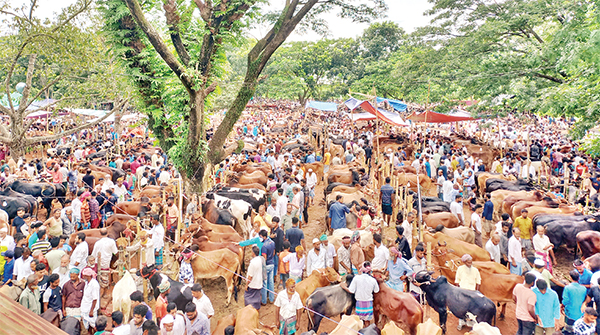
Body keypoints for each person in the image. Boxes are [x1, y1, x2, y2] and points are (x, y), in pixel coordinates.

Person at [348, 261, 379, 326]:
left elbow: (351, 290)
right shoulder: (373, 280)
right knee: (367, 322)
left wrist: (343, 286)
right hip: (368, 303)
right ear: (370, 271)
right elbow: (376, 290)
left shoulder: (356, 278)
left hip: (359, 303)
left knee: (359, 322)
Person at [455, 254, 481, 330]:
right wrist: (458, 291)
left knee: (472, 310)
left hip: (472, 293)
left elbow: (478, 281)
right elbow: (457, 280)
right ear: (464, 262)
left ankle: (471, 325)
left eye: (471, 262)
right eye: (468, 262)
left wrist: (476, 292)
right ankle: (461, 323)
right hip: (462, 292)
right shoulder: (460, 269)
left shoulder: (475, 270)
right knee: (461, 309)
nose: (470, 264)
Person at [91, 228, 117, 297]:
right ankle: (103, 293)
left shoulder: (97, 243)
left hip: (98, 263)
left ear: (100, 234)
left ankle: (100, 293)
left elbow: (93, 254)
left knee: (99, 278)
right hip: (106, 263)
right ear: (107, 233)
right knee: (104, 279)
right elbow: (115, 252)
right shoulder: (111, 242)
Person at [562, 270, 587, 335]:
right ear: (579, 278)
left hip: (570, 313)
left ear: (570, 278)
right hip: (580, 313)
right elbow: (585, 299)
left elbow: (565, 301)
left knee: (568, 331)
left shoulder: (567, 288)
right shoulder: (584, 288)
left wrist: (562, 306)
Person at [81, 267, 100, 333]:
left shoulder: (94, 285)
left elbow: (95, 299)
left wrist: (91, 311)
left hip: (90, 309)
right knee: (87, 326)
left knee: (93, 325)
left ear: (87, 276)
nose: (83, 276)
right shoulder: (87, 283)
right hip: (85, 307)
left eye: (84, 275)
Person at [244, 245, 263, 310]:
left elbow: (250, 276)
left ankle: (250, 312)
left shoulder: (252, 263)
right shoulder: (260, 259)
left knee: (248, 300)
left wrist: (246, 285)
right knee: (257, 300)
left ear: (253, 253)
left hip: (252, 285)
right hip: (258, 283)